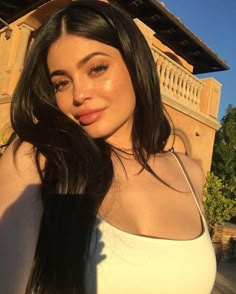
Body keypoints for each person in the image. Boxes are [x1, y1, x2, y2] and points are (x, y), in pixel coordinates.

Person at [0, 1, 216, 293]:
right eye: (61, 83)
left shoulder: (190, 173)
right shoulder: (37, 160)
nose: (79, 94)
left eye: (97, 68)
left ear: (134, 63)